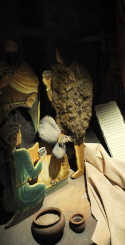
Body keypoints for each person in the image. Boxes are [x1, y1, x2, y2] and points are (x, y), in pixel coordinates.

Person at [0, 33, 40, 162]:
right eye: (8, 46)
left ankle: (29, 175)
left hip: (24, 114)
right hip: (5, 116)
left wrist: (31, 100)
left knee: (27, 147)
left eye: (14, 46)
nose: (12, 50)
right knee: (8, 152)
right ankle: (10, 180)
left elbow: (35, 89)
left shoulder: (26, 67)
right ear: (2, 48)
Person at [42, 36, 93, 179]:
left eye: (57, 52)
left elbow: (87, 95)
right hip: (63, 118)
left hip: (78, 117)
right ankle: (63, 169)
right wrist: (48, 86)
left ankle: (81, 168)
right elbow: (55, 101)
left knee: (78, 142)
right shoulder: (56, 73)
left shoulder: (79, 71)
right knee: (60, 141)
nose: (55, 55)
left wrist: (82, 117)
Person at [0, 123, 46, 215]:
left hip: (7, 202)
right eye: (19, 133)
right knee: (42, 187)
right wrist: (41, 159)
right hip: (22, 196)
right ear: (14, 137)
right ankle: (27, 210)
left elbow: (3, 181)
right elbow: (33, 174)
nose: (21, 135)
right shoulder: (22, 153)